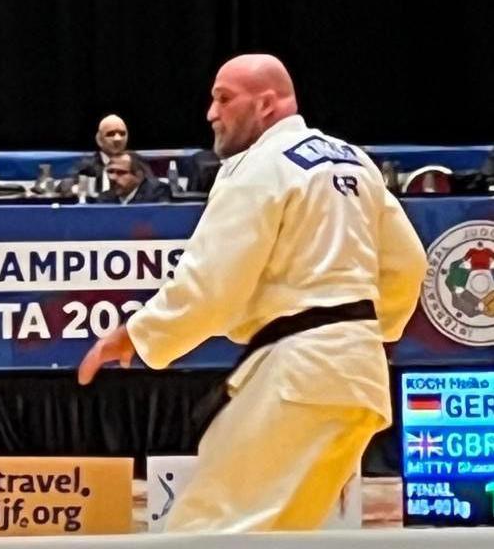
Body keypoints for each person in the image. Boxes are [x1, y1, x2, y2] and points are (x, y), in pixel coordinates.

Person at [78, 54, 427, 532]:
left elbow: (213, 283)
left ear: (266, 104)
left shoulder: (260, 165)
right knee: (279, 532)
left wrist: (136, 334)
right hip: (358, 380)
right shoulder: (354, 160)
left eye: (224, 98)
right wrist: (370, 333)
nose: (211, 113)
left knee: (208, 529)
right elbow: (408, 264)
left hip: (299, 376)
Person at [95, 151, 170, 204]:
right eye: (110, 171)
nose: (112, 177)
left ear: (139, 176)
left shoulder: (159, 194)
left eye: (121, 172)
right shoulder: (104, 199)